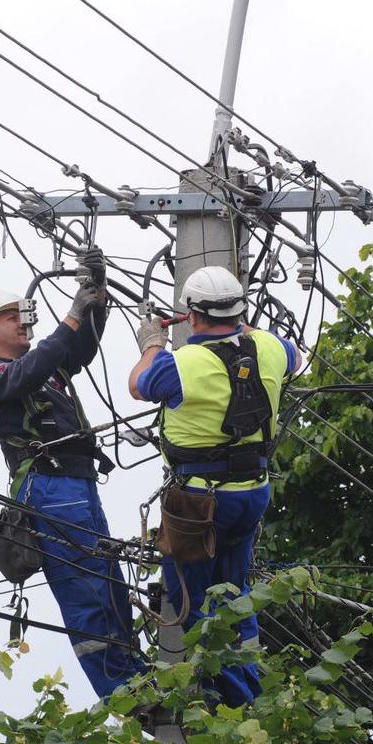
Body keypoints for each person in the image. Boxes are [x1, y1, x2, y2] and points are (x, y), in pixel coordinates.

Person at [0, 248, 146, 700]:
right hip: (46, 488)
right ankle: (122, 690)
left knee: (107, 579)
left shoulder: (46, 368)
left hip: (78, 485)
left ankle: (138, 673)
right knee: (85, 587)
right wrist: (70, 316)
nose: (23, 325)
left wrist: (95, 297)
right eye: (12, 319)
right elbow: (33, 367)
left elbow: (78, 346)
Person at [127, 265, 300, 706]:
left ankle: (239, 703)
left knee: (194, 605)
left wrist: (151, 344)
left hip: (200, 504)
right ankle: (254, 682)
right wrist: (244, 330)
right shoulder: (274, 349)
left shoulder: (178, 365)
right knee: (235, 592)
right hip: (252, 493)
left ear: (191, 314)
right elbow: (297, 356)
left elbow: (137, 385)